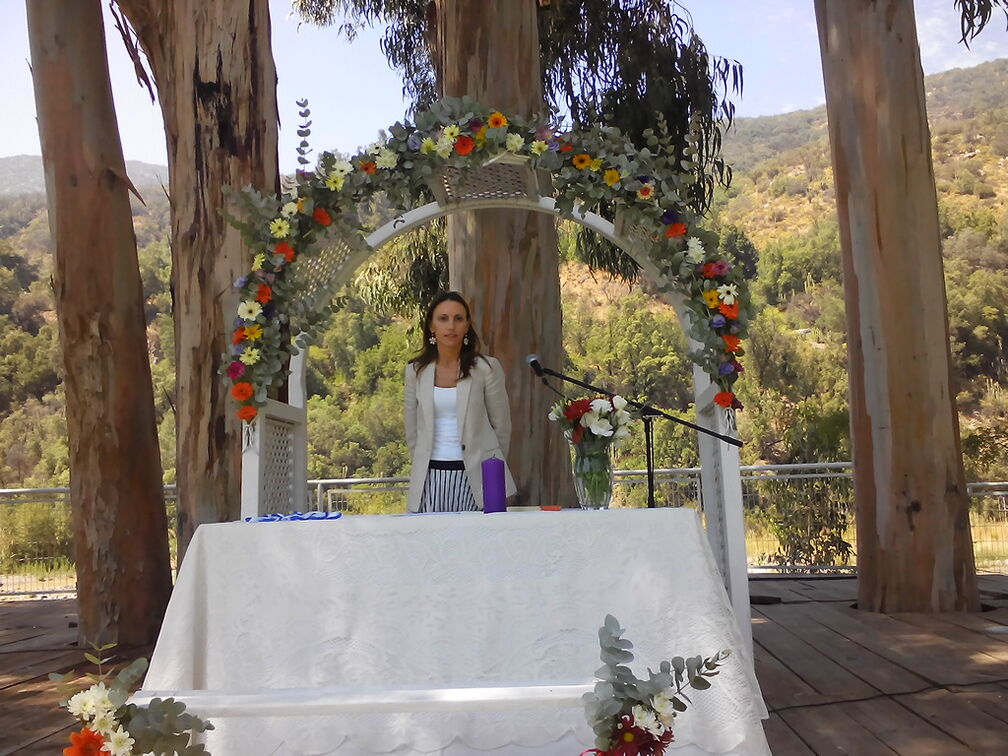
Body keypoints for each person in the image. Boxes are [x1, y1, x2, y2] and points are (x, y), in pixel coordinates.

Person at [404, 291, 516, 513]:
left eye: (458, 319)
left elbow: (502, 427)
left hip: (477, 478)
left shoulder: (486, 368)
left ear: (467, 326)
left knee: (475, 544)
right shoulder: (415, 371)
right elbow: (412, 431)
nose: (451, 326)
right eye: (443, 319)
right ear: (431, 326)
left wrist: (491, 470)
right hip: (430, 478)